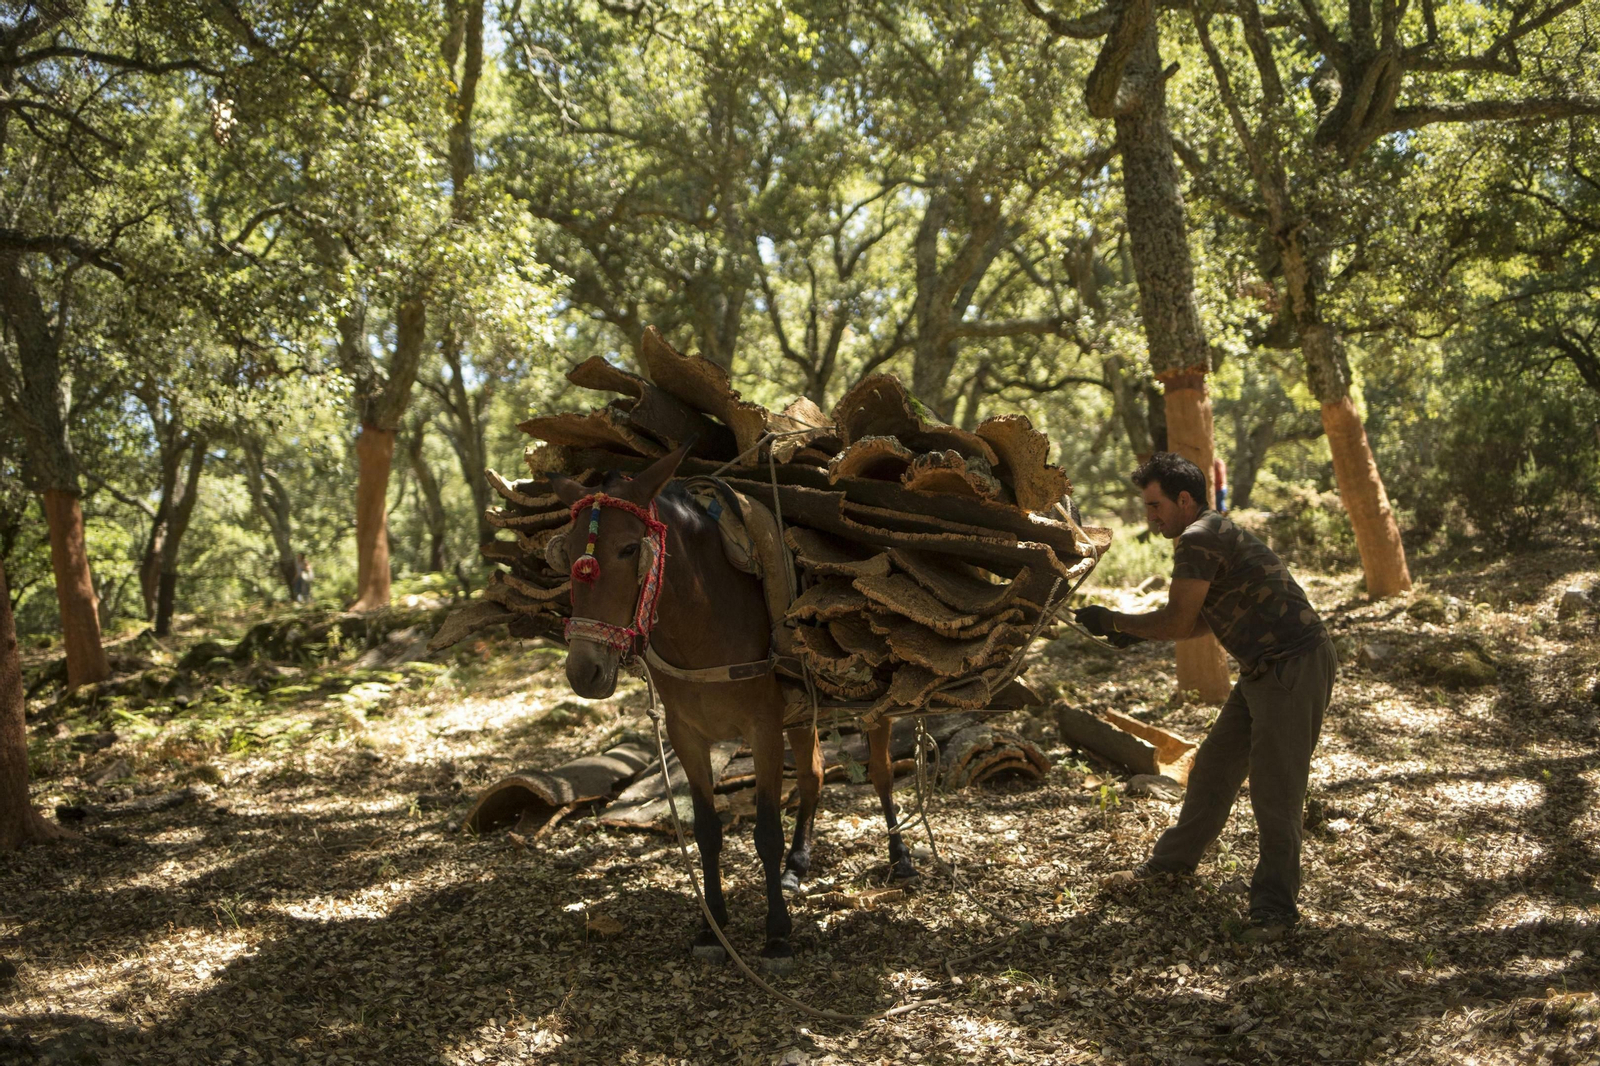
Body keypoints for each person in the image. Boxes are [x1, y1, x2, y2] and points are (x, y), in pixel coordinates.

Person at [1074, 452, 1334, 943]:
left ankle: (1275, 912)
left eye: (1156, 506)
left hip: (1294, 665)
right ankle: (1171, 867)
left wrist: (1114, 620)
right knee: (1213, 770)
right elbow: (1196, 622)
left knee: (1276, 791)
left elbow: (1174, 621)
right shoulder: (1210, 531)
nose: (1151, 517)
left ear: (1185, 499)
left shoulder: (1198, 537)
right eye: (1147, 506)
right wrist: (1135, 633)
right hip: (1264, 670)